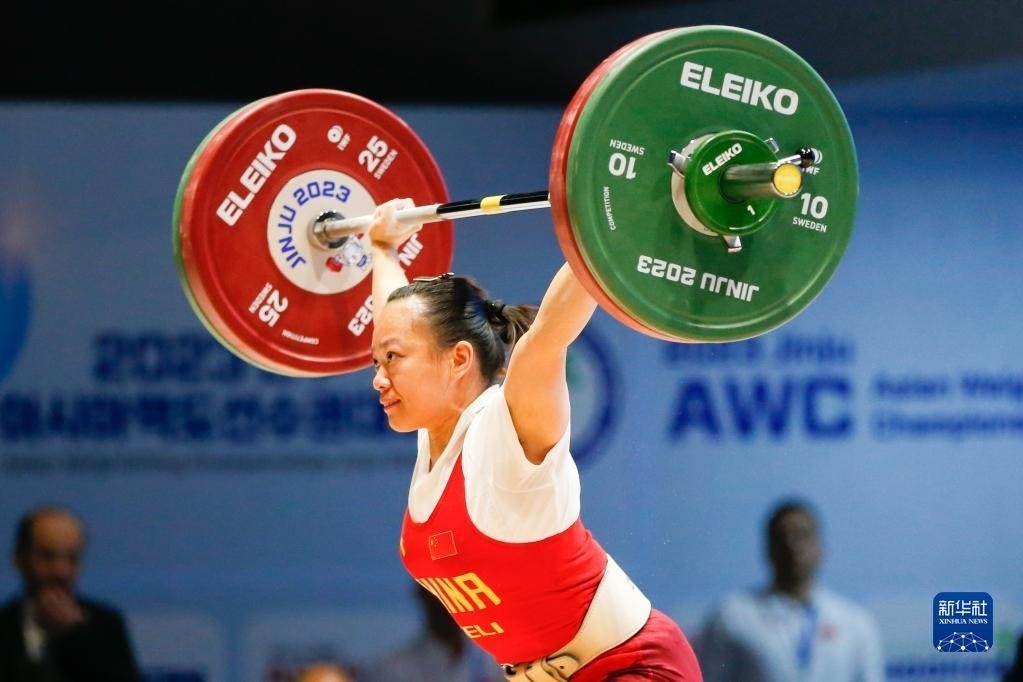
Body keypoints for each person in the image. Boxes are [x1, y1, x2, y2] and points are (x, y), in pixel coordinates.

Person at [365, 198, 703, 681]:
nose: (378, 378)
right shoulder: (437, 434)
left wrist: (621, 210)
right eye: (377, 362)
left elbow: (549, 332)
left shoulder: (505, 430)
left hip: (634, 667)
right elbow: (395, 320)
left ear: (458, 360)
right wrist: (381, 249)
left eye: (392, 360)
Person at [694, 498, 884, 682]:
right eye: (781, 537)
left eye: (802, 535)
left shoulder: (855, 623)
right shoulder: (732, 618)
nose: (792, 545)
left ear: (820, 548)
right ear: (768, 549)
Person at [0, 504, 142, 682]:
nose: (61, 571)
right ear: (19, 559)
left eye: (72, 558)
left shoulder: (106, 627)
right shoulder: (4, 626)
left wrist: (73, 638)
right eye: (47, 556)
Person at [361, 583, 504, 682]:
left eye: (454, 593)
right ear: (422, 595)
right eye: (438, 593)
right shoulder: (393, 671)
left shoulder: (496, 663)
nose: (447, 604)